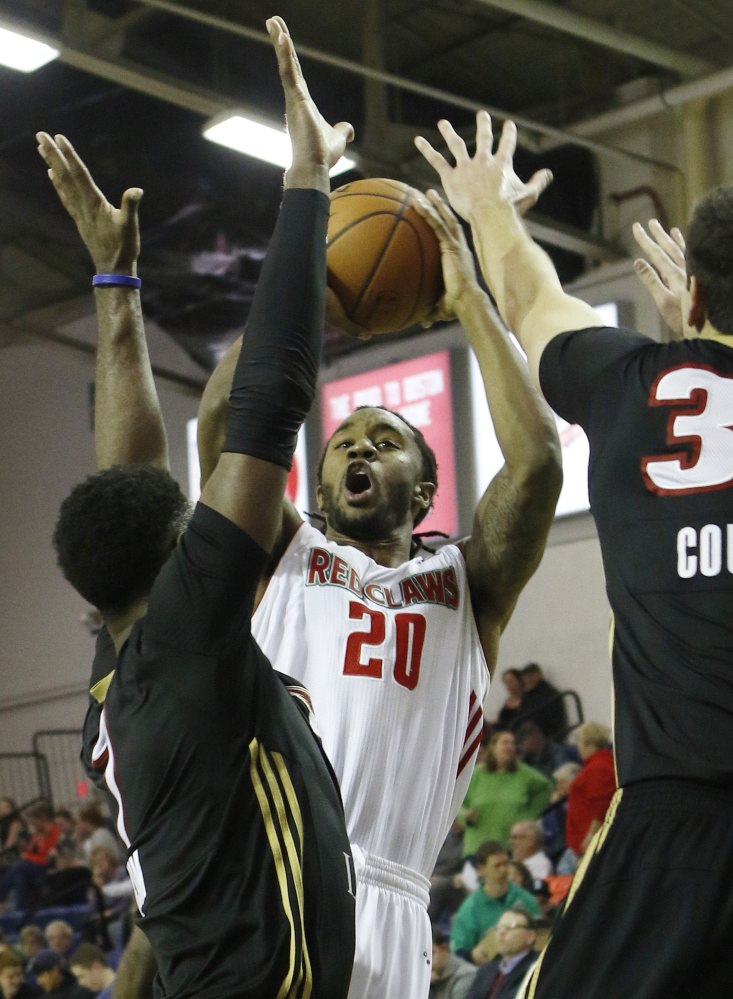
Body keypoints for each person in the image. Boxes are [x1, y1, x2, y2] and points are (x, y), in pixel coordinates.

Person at [175, 84, 561, 999]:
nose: (354, 445)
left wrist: (467, 294)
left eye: (382, 441)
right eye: (343, 440)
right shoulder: (287, 550)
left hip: (394, 898)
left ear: (426, 487)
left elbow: (539, 459)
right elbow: (226, 418)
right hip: (273, 873)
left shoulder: (468, 578)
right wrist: (307, 284)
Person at [41, 16, 356, 999]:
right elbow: (269, 406)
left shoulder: (120, 673)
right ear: (178, 552)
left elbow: (125, 470)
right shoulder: (181, 637)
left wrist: (115, 284)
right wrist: (309, 184)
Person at [416, 108, 733, 996]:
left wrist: (488, 208)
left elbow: (527, 299)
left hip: (674, 825)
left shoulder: (630, 385)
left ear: (697, 297)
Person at [459, 731, 553, 853]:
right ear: (493, 747)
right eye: (504, 743)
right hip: (478, 848)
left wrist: (529, 816)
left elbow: (545, 789)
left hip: (510, 847)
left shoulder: (523, 773)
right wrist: (465, 815)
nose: (509, 747)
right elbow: (456, 802)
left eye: (513, 744)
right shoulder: (476, 774)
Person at [450, 841, 540, 964]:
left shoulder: (526, 899)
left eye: (505, 864)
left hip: (525, 963)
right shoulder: (469, 909)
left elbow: (540, 936)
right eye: (497, 866)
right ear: (481, 869)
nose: (503, 870)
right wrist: (473, 955)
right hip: (487, 969)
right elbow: (458, 952)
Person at [564, 721, 615, 857]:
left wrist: (592, 836)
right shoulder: (602, 765)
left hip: (592, 847)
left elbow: (602, 804)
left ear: (586, 743)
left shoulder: (596, 768)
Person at [465, 907, 539, 999]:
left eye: (510, 927)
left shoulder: (537, 969)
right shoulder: (486, 969)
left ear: (530, 936)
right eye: (498, 928)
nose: (501, 932)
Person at [0, 803, 59, 912]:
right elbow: (30, 851)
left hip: (42, 866)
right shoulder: (36, 835)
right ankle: (21, 912)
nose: (32, 824)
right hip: (31, 865)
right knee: (18, 877)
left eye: (34, 821)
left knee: (20, 868)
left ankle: (1, 896)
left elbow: (44, 852)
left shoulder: (52, 830)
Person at [518, 665, 567, 741]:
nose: (528, 680)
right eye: (526, 678)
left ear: (538, 675)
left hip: (550, 739)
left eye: (530, 676)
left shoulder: (550, 694)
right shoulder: (527, 696)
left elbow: (554, 720)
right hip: (532, 739)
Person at [430, 929, 477, 999]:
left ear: (444, 948)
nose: (428, 962)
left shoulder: (466, 974)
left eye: (432, 954)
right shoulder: (428, 978)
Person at [26, 953, 91, 999]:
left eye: (41, 975)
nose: (38, 982)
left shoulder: (80, 992)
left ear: (55, 971)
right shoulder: (47, 996)